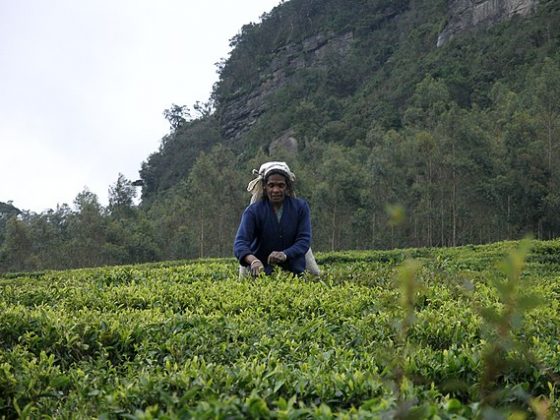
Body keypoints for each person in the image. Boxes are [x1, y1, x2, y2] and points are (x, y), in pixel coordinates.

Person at [234, 161, 319, 277]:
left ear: (287, 187)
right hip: (261, 275)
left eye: (281, 185)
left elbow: (304, 240)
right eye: (271, 185)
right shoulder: (253, 212)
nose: (276, 190)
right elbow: (240, 243)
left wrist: (285, 254)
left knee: (315, 277)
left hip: (294, 273)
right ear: (264, 186)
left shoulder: (300, 208)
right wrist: (253, 260)